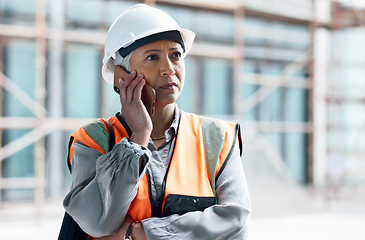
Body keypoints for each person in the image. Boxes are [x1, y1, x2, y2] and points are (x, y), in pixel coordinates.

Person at [63, 4, 251, 240]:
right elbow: (98, 222)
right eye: (152, 57)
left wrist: (141, 233)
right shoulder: (93, 140)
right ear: (121, 75)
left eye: (176, 55)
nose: (169, 69)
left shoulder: (218, 137)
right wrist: (139, 135)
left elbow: (235, 220)